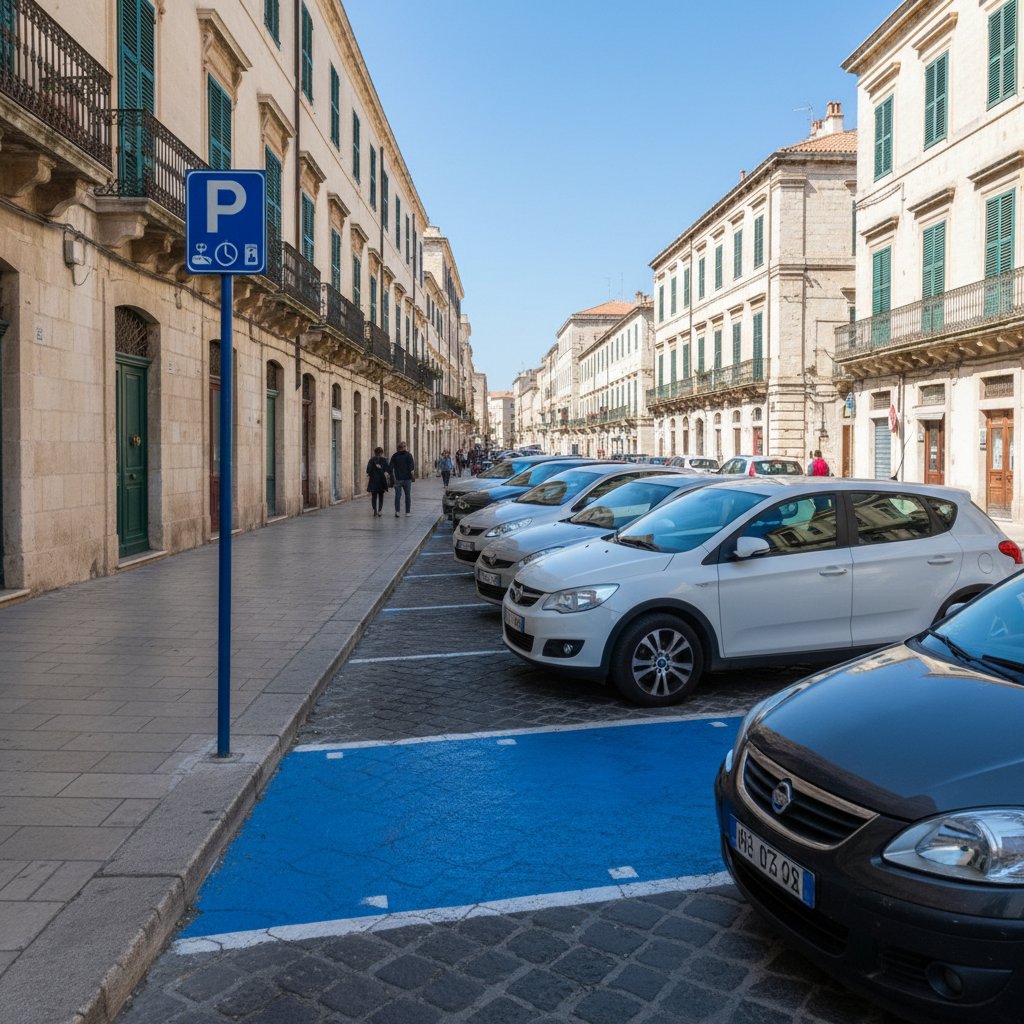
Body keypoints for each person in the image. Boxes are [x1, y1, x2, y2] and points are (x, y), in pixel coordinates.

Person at [390, 440, 415, 516]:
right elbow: (412, 467)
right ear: (404, 447)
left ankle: (397, 511)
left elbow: (390, 467)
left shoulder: (394, 456)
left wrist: (392, 476)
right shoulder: (409, 455)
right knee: (407, 495)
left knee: (398, 496)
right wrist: (412, 475)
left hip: (398, 479)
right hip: (407, 479)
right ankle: (407, 512)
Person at [365, 447, 391, 517]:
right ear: (382, 452)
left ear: (375, 452)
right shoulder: (384, 460)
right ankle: (379, 510)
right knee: (381, 496)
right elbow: (388, 469)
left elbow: (368, 470)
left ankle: (375, 509)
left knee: (374, 496)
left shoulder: (371, 460)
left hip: (373, 480)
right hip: (381, 481)